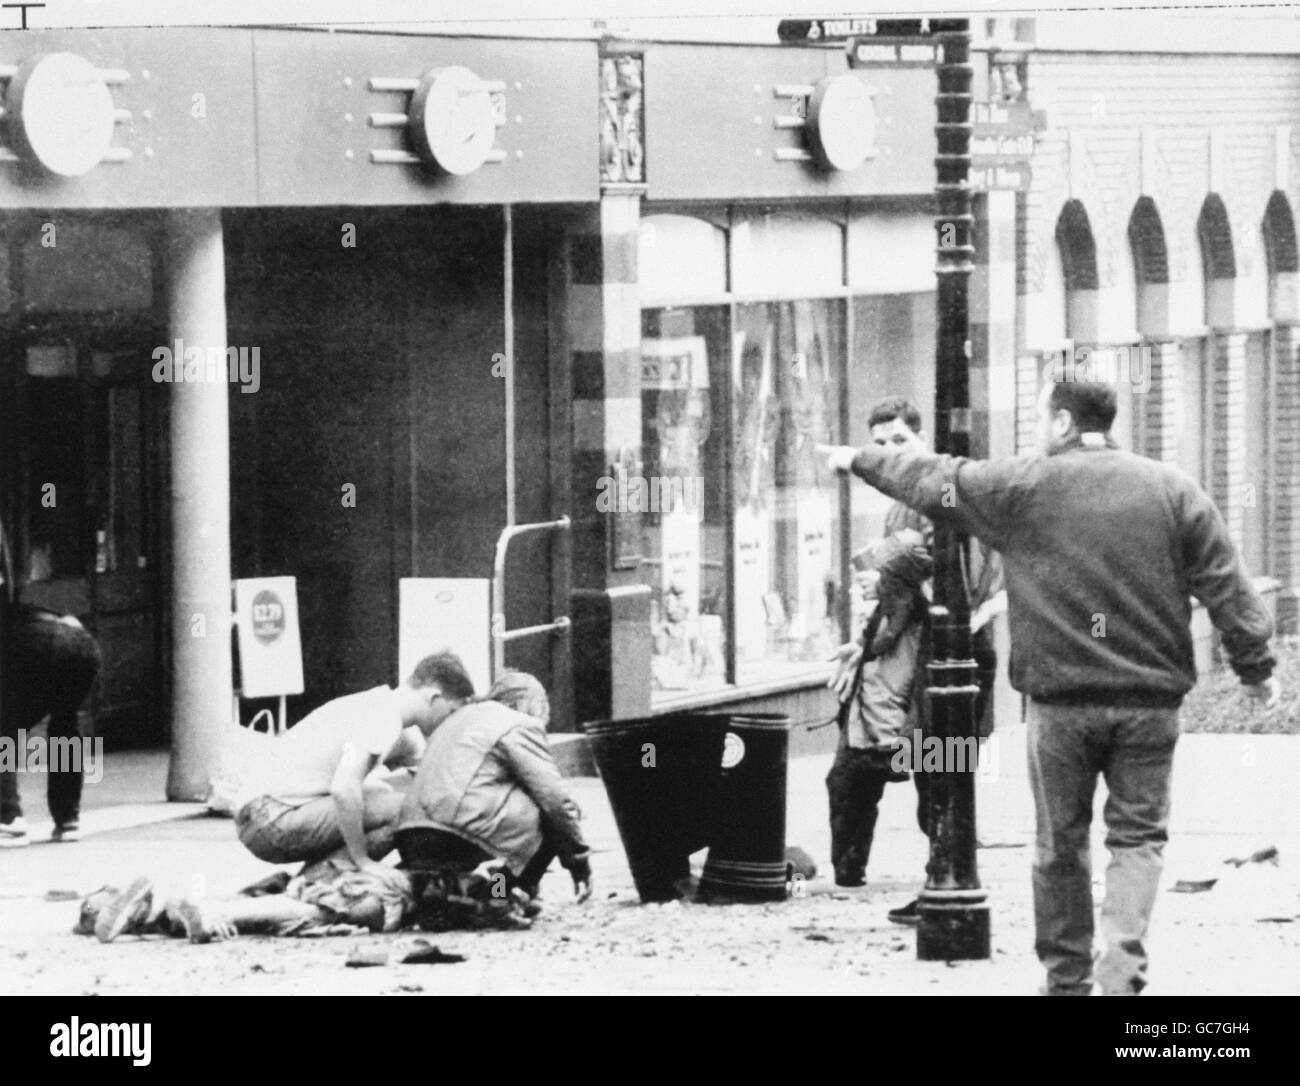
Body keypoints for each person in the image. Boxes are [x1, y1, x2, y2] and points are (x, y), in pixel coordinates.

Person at [824, 380, 1280, 996]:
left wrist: (858, 459)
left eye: (1041, 418)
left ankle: (1066, 981)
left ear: (1062, 422)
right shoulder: (1174, 490)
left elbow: (935, 479)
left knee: (1058, 842)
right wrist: (1256, 669)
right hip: (1149, 701)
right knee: (1137, 839)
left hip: (1061, 704)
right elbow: (1227, 584)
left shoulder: (1022, 487)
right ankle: (1121, 974)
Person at [830, 396, 1005, 923]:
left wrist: (895, 563)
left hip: (955, 654)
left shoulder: (948, 493)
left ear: (922, 441)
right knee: (855, 767)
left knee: (939, 769)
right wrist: (864, 644)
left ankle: (948, 878)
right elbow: (900, 597)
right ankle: (848, 871)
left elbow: (958, 580)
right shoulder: (899, 506)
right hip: (909, 653)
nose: (887, 453)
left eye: (899, 442)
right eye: (878, 444)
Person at [233, 652, 474, 876]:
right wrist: (363, 860)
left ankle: (314, 879)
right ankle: (326, 880)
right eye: (452, 712)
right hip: (267, 820)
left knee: (382, 793)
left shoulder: (395, 722)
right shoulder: (381, 716)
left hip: (265, 815)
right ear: (434, 697)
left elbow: (436, 773)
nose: (451, 722)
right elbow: (344, 789)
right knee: (400, 808)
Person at [396, 670, 593, 911]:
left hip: (410, 835)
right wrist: (579, 861)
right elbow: (555, 799)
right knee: (551, 818)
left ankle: (453, 894)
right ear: (532, 705)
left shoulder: (458, 718)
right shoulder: (519, 724)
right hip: (454, 833)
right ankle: (498, 896)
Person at [826, 530, 931, 887]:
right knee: (846, 785)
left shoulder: (911, 615)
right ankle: (849, 869)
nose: (862, 586)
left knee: (932, 797)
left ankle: (945, 871)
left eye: (871, 577)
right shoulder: (891, 613)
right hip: (872, 724)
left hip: (897, 726)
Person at [0, 603, 102, 847]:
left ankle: (8, 816)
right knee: (65, 724)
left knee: (3, 730)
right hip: (81, 643)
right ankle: (68, 820)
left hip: (34, 643)